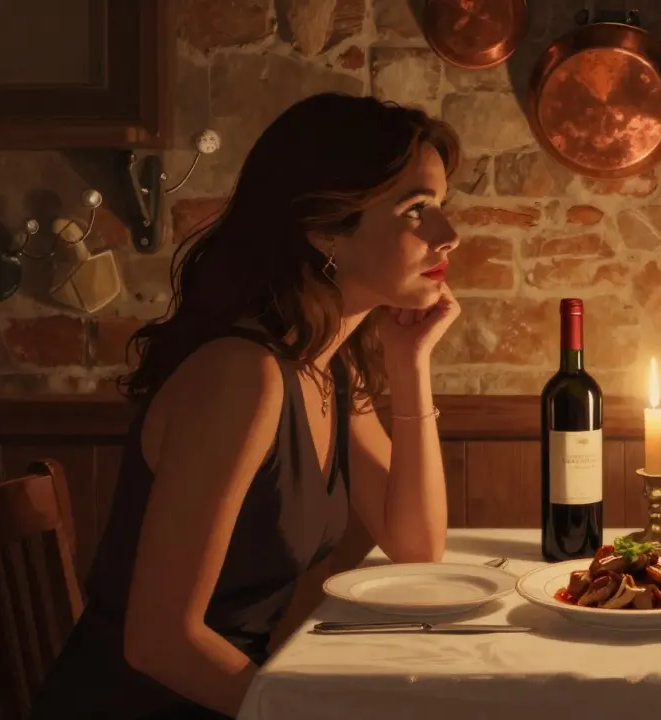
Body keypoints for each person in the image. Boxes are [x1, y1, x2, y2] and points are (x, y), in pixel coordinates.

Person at [31, 93, 462, 719]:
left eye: (442, 208)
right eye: (417, 211)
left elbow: (416, 547)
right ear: (323, 231)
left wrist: (410, 363)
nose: (449, 235)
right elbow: (160, 642)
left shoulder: (326, 366)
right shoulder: (245, 378)